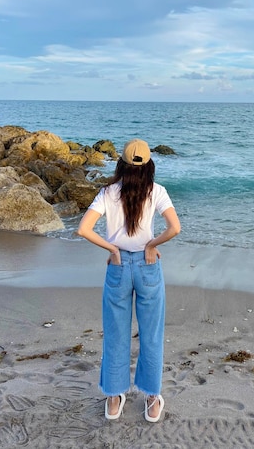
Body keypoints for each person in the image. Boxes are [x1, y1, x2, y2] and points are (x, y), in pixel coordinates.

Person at [77, 138, 181, 423]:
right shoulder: (157, 191)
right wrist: (151, 245)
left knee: (115, 334)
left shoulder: (107, 192)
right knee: (151, 335)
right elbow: (175, 228)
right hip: (147, 266)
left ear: (120, 163)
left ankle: (113, 399)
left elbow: (83, 229)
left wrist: (112, 249)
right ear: (149, 165)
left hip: (118, 266)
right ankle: (151, 400)